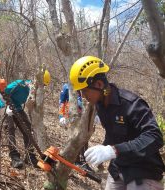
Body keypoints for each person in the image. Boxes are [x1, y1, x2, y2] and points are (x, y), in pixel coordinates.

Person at [69, 56, 165, 189]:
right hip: (118, 169)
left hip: (143, 170)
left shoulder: (131, 104)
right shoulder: (100, 106)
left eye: (84, 90)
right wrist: (102, 150)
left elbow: (155, 137)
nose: (83, 96)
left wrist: (113, 150)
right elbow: (115, 134)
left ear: (99, 84)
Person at [0, 70, 51, 169]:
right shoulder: (20, 84)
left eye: (44, 86)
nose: (41, 88)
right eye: (41, 84)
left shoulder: (35, 93)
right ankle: (14, 157)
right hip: (5, 106)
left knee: (28, 129)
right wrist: (6, 106)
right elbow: (1, 93)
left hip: (17, 107)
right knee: (10, 128)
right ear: (35, 81)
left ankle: (30, 156)